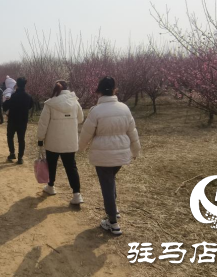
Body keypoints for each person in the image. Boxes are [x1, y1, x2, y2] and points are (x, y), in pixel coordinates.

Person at [79, 77, 141, 235]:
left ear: (99, 91)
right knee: (110, 181)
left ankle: (113, 222)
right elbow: (132, 132)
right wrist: (136, 150)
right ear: (115, 90)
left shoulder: (96, 111)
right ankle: (114, 210)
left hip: (102, 155)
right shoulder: (124, 108)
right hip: (120, 154)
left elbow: (86, 134)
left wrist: (79, 148)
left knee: (107, 185)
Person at [37, 81, 84, 205]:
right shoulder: (75, 101)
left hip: (53, 140)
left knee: (51, 164)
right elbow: (80, 119)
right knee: (71, 167)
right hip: (70, 140)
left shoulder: (50, 103)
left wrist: (40, 138)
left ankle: (51, 186)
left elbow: (43, 123)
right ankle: (77, 194)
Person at [3, 77, 34, 164]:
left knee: (10, 137)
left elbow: (5, 106)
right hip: (23, 121)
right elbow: (30, 106)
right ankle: (20, 157)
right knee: (21, 139)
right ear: (25, 85)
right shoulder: (28, 96)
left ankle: (12, 153)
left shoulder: (12, 96)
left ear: (17, 85)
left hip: (12, 120)